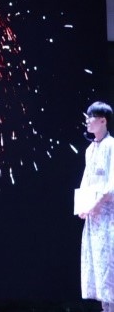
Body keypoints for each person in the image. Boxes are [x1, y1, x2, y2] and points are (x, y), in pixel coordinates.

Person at [78, 101, 114, 311]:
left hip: (109, 216)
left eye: (91, 117)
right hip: (94, 218)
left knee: (109, 265)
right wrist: (83, 206)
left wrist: (95, 204)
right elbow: (86, 181)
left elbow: (111, 185)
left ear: (103, 120)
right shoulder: (90, 149)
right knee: (99, 268)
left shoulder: (112, 146)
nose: (87, 121)